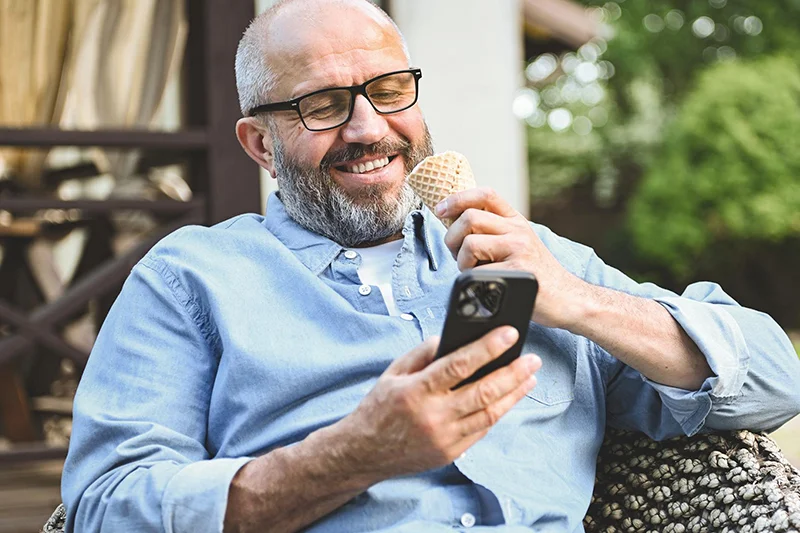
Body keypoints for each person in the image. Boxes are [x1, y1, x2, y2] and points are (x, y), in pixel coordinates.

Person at [61, 0, 800, 532]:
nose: (368, 128)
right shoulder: (190, 278)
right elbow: (104, 505)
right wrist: (351, 455)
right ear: (260, 145)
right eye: (323, 105)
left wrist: (575, 300)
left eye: (389, 91)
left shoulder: (532, 258)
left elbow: (774, 380)